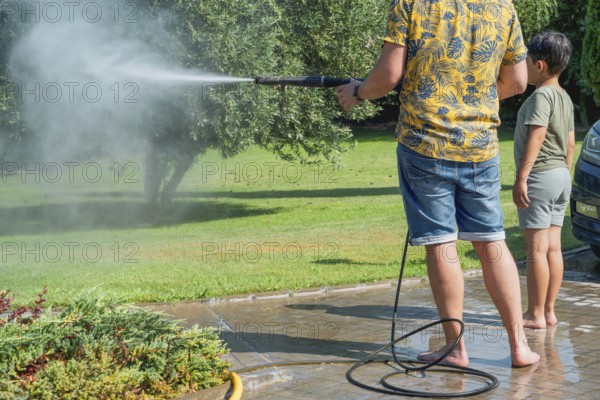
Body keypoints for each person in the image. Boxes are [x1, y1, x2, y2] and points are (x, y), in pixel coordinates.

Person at [337, 0, 540, 367]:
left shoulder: (412, 4)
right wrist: (474, 99)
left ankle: (455, 349)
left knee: (441, 243)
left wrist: (358, 91)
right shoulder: (502, 6)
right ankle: (519, 346)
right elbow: (518, 81)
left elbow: (388, 76)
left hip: (425, 144)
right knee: (491, 239)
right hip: (480, 147)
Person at [512, 31, 575, 330]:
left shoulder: (542, 96)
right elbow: (571, 142)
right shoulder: (564, 97)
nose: (521, 65)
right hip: (561, 176)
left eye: (524, 60)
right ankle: (549, 311)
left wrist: (521, 178)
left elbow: (536, 135)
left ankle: (534, 314)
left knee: (535, 249)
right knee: (553, 248)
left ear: (538, 65)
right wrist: (564, 173)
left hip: (540, 176)